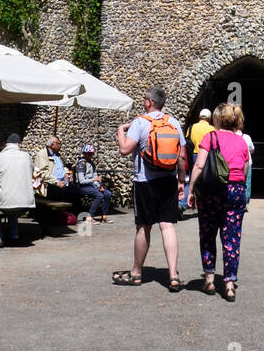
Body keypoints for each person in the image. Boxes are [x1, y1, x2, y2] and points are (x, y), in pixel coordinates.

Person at [114, 86, 186, 290]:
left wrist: (121, 131)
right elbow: (181, 155)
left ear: (149, 102)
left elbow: (124, 150)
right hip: (168, 181)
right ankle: (173, 275)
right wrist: (181, 181)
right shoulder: (173, 122)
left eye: (144, 98)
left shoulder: (139, 122)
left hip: (145, 181)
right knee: (168, 225)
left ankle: (136, 273)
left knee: (144, 226)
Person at [186, 103, 250, 300]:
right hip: (236, 191)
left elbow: (199, 165)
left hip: (212, 191)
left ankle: (210, 280)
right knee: (232, 239)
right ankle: (229, 285)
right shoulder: (242, 142)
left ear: (217, 119)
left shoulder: (210, 137)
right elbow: (245, 170)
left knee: (207, 234)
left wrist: (191, 190)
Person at [0, 134, 35, 246]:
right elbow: (32, 171)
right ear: (19, 144)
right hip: (26, 202)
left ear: (6, 145)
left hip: (7, 201)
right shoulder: (27, 156)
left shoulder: (1, 156)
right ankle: (14, 236)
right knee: (12, 208)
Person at [32, 136, 84, 215]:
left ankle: (74, 215)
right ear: (53, 145)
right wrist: (56, 182)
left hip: (62, 181)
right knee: (58, 192)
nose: (61, 145)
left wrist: (67, 173)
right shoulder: (42, 154)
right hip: (49, 183)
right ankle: (59, 215)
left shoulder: (57, 155)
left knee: (76, 190)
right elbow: (42, 173)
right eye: (59, 143)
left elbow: (62, 167)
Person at [73, 145, 112, 222]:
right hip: (82, 186)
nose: (90, 156)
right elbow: (81, 181)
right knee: (99, 195)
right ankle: (90, 216)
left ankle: (104, 215)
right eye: (89, 154)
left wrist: (99, 186)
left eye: (91, 154)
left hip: (92, 185)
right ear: (84, 154)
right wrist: (94, 180)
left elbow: (95, 177)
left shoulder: (92, 164)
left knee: (108, 194)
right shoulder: (81, 165)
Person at [234, 107, 255, 207]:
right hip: (248, 163)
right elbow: (252, 149)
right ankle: (245, 201)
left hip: (235, 163)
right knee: (247, 182)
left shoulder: (231, 136)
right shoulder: (247, 137)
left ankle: (235, 198)